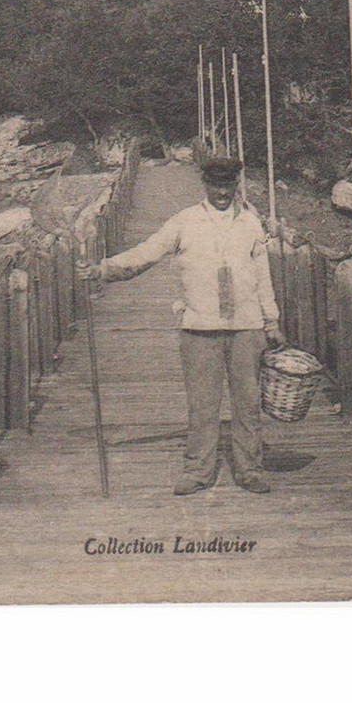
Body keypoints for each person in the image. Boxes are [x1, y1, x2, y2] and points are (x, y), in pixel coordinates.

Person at [80, 155, 285, 495]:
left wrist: (271, 321)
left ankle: (250, 470)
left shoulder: (251, 223)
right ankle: (198, 471)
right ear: (205, 184)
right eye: (216, 185)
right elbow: (146, 252)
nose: (222, 192)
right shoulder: (184, 221)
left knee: (248, 402)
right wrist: (103, 268)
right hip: (199, 327)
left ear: (236, 184)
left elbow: (263, 277)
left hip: (247, 326)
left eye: (228, 184)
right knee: (202, 403)